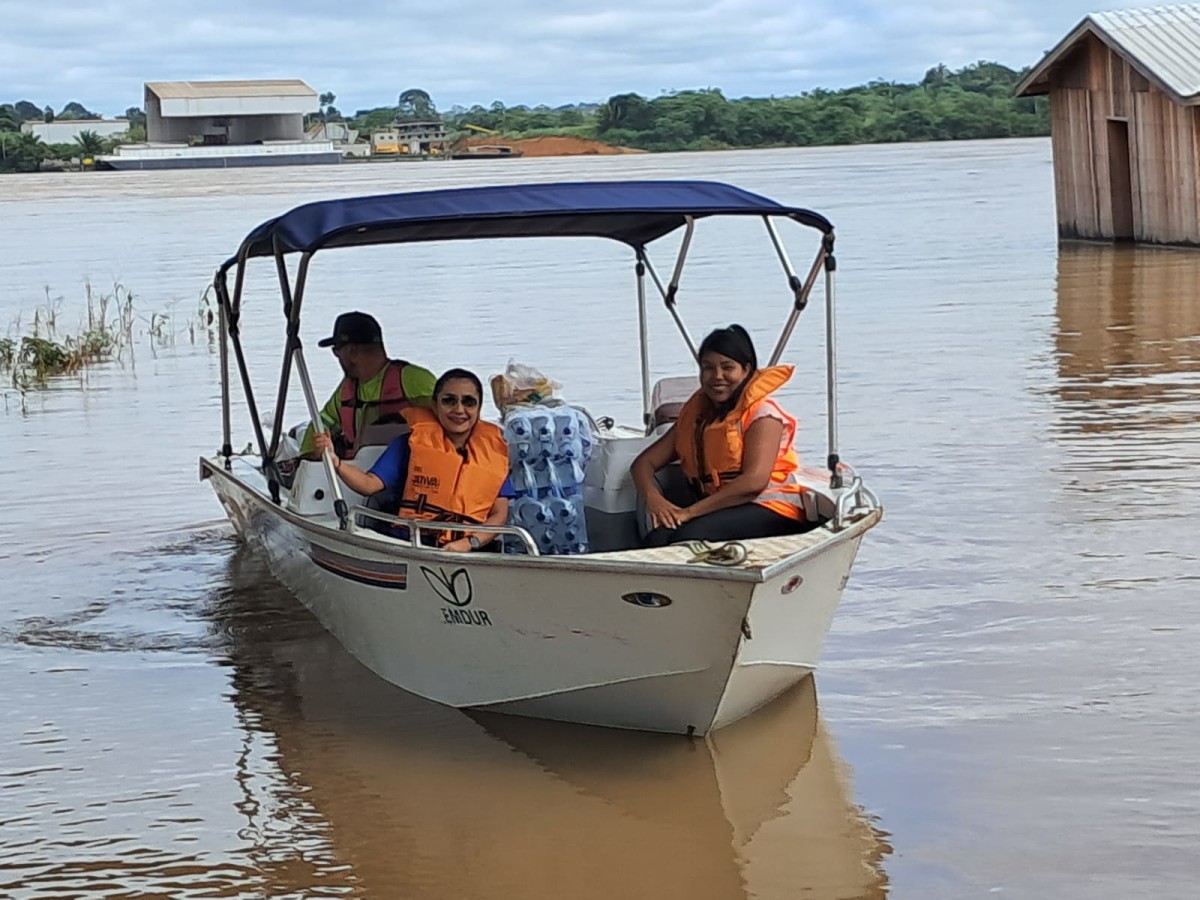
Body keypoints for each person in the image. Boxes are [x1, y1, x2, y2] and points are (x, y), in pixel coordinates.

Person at [631, 325, 809, 547]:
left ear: (746, 370)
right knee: (656, 539)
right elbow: (643, 464)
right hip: (721, 509)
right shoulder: (697, 419)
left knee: (686, 539)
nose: (717, 376)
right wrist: (653, 498)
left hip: (771, 508)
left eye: (727, 367)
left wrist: (689, 513)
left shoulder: (763, 415)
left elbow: (754, 483)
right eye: (708, 368)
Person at [315, 368, 514, 553]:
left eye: (468, 402)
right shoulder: (408, 445)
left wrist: (469, 543)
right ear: (435, 405)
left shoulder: (493, 454)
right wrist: (336, 462)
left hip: (470, 548)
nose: (459, 409)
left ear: (479, 408)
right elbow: (368, 484)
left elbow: (499, 514)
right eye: (449, 401)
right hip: (412, 542)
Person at [299, 311, 436, 460]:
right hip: (359, 471)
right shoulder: (346, 390)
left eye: (336, 351)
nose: (337, 357)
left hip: (413, 467)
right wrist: (312, 454)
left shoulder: (413, 379)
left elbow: (447, 422)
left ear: (352, 352)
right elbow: (321, 423)